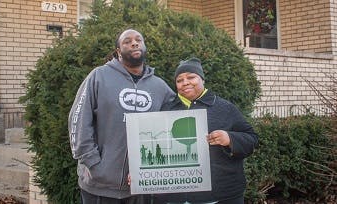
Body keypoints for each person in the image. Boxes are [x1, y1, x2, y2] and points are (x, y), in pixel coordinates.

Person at [68, 28, 175, 204]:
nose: (134, 43)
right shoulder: (98, 76)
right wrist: (94, 164)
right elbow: (78, 120)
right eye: (127, 41)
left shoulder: (160, 87)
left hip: (139, 186)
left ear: (144, 46)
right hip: (99, 185)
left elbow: (171, 129)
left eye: (138, 40)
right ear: (118, 51)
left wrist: (152, 169)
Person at [154, 57, 258, 204]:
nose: (185, 83)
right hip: (176, 197)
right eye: (179, 80)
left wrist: (230, 139)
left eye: (191, 77)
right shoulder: (166, 110)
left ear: (202, 79)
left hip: (221, 195)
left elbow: (251, 139)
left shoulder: (224, 108)